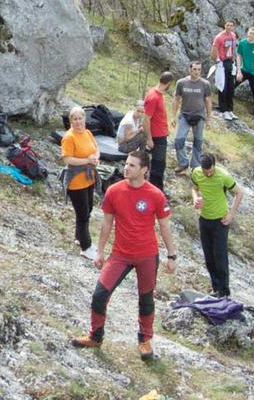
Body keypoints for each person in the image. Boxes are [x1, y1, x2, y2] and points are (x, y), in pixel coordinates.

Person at [71, 150, 178, 361]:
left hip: (147, 255)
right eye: (126, 164)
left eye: (132, 165)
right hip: (120, 254)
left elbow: (165, 227)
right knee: (99, 295)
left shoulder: (155, 194)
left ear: (144, 170)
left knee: (146, 299)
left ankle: (145, 340)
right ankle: (95, 336)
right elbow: (106, 223)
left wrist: (172, 255)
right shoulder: (114, 191)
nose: (126, 168)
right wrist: (100, 252)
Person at [190, 153, 243, 298]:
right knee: (208, 256)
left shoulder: (223, 176)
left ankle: (224, 292)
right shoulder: (196, 172)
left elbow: (239, 192)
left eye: (210, 170)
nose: (208, 173)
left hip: (220, 221)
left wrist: (231, 214)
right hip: (204, 218)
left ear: (214, 165)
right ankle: (216, 288)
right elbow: (194, 188)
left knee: (220, 256)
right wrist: (195, 199)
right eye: (205, 170)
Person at [61, 106, 100, 260]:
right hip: (76, 181)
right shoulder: (69, 137)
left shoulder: (88, 133)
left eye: (80, 118)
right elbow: (67, 159)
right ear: (71, 121)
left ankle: (79, 236)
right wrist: (86, 160)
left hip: (88, 178)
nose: (78, 122)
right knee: (82, 214)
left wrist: (96, 157)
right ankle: (86, 246)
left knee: (88, 208)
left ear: (85, 119)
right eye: (74, 119)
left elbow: (96, 148)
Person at [171, 61, 212, 175]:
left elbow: (208, 101)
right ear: (190, 69)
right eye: (195, 69)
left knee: (198, 141)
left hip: (199, 116)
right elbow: (176, 99)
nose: (197, 72)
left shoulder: (205, 84)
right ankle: (183, 163)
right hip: (185, 115)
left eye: (199, 69)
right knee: (178, 140)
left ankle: (195, 165)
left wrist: (208, 118)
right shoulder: (181, 83)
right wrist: (173, 116)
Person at [143, 71, 174, 192]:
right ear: (169, 83)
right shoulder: (153, 96)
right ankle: (156, 190)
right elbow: (146, 119)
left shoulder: (159, 94)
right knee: (158, 165)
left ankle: (156, 189)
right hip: (156, 136)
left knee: (160, 164)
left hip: (161, 133)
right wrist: (149, 139)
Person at [212, 20, 239, 121]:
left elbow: (233, 49)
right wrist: (218, 61)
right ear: (225, 26)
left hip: (230, 62)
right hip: (222, 63)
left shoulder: (233, 35)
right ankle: (223, 110)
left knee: (231, 87)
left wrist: (234, 61)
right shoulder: (219, 37)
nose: (229, 27)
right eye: (228, 25)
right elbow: (214, 50)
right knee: (223, 86)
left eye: (231, 25)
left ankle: (230, 109)